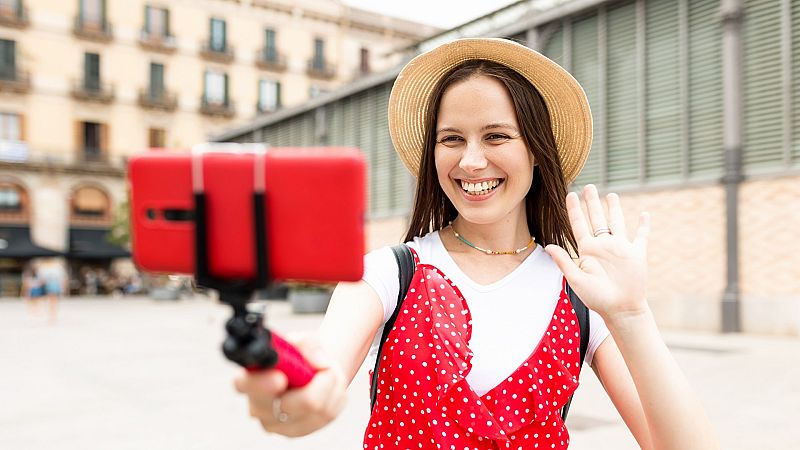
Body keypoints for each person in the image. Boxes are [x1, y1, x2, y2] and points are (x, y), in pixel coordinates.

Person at [234, 38, 718, 449]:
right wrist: (295, 398)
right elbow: (325, 367)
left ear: (537, 148)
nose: (470, 161)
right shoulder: (387, 275)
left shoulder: (582, 295)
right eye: (451, 139)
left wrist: (631, 315)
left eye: (496, 136)